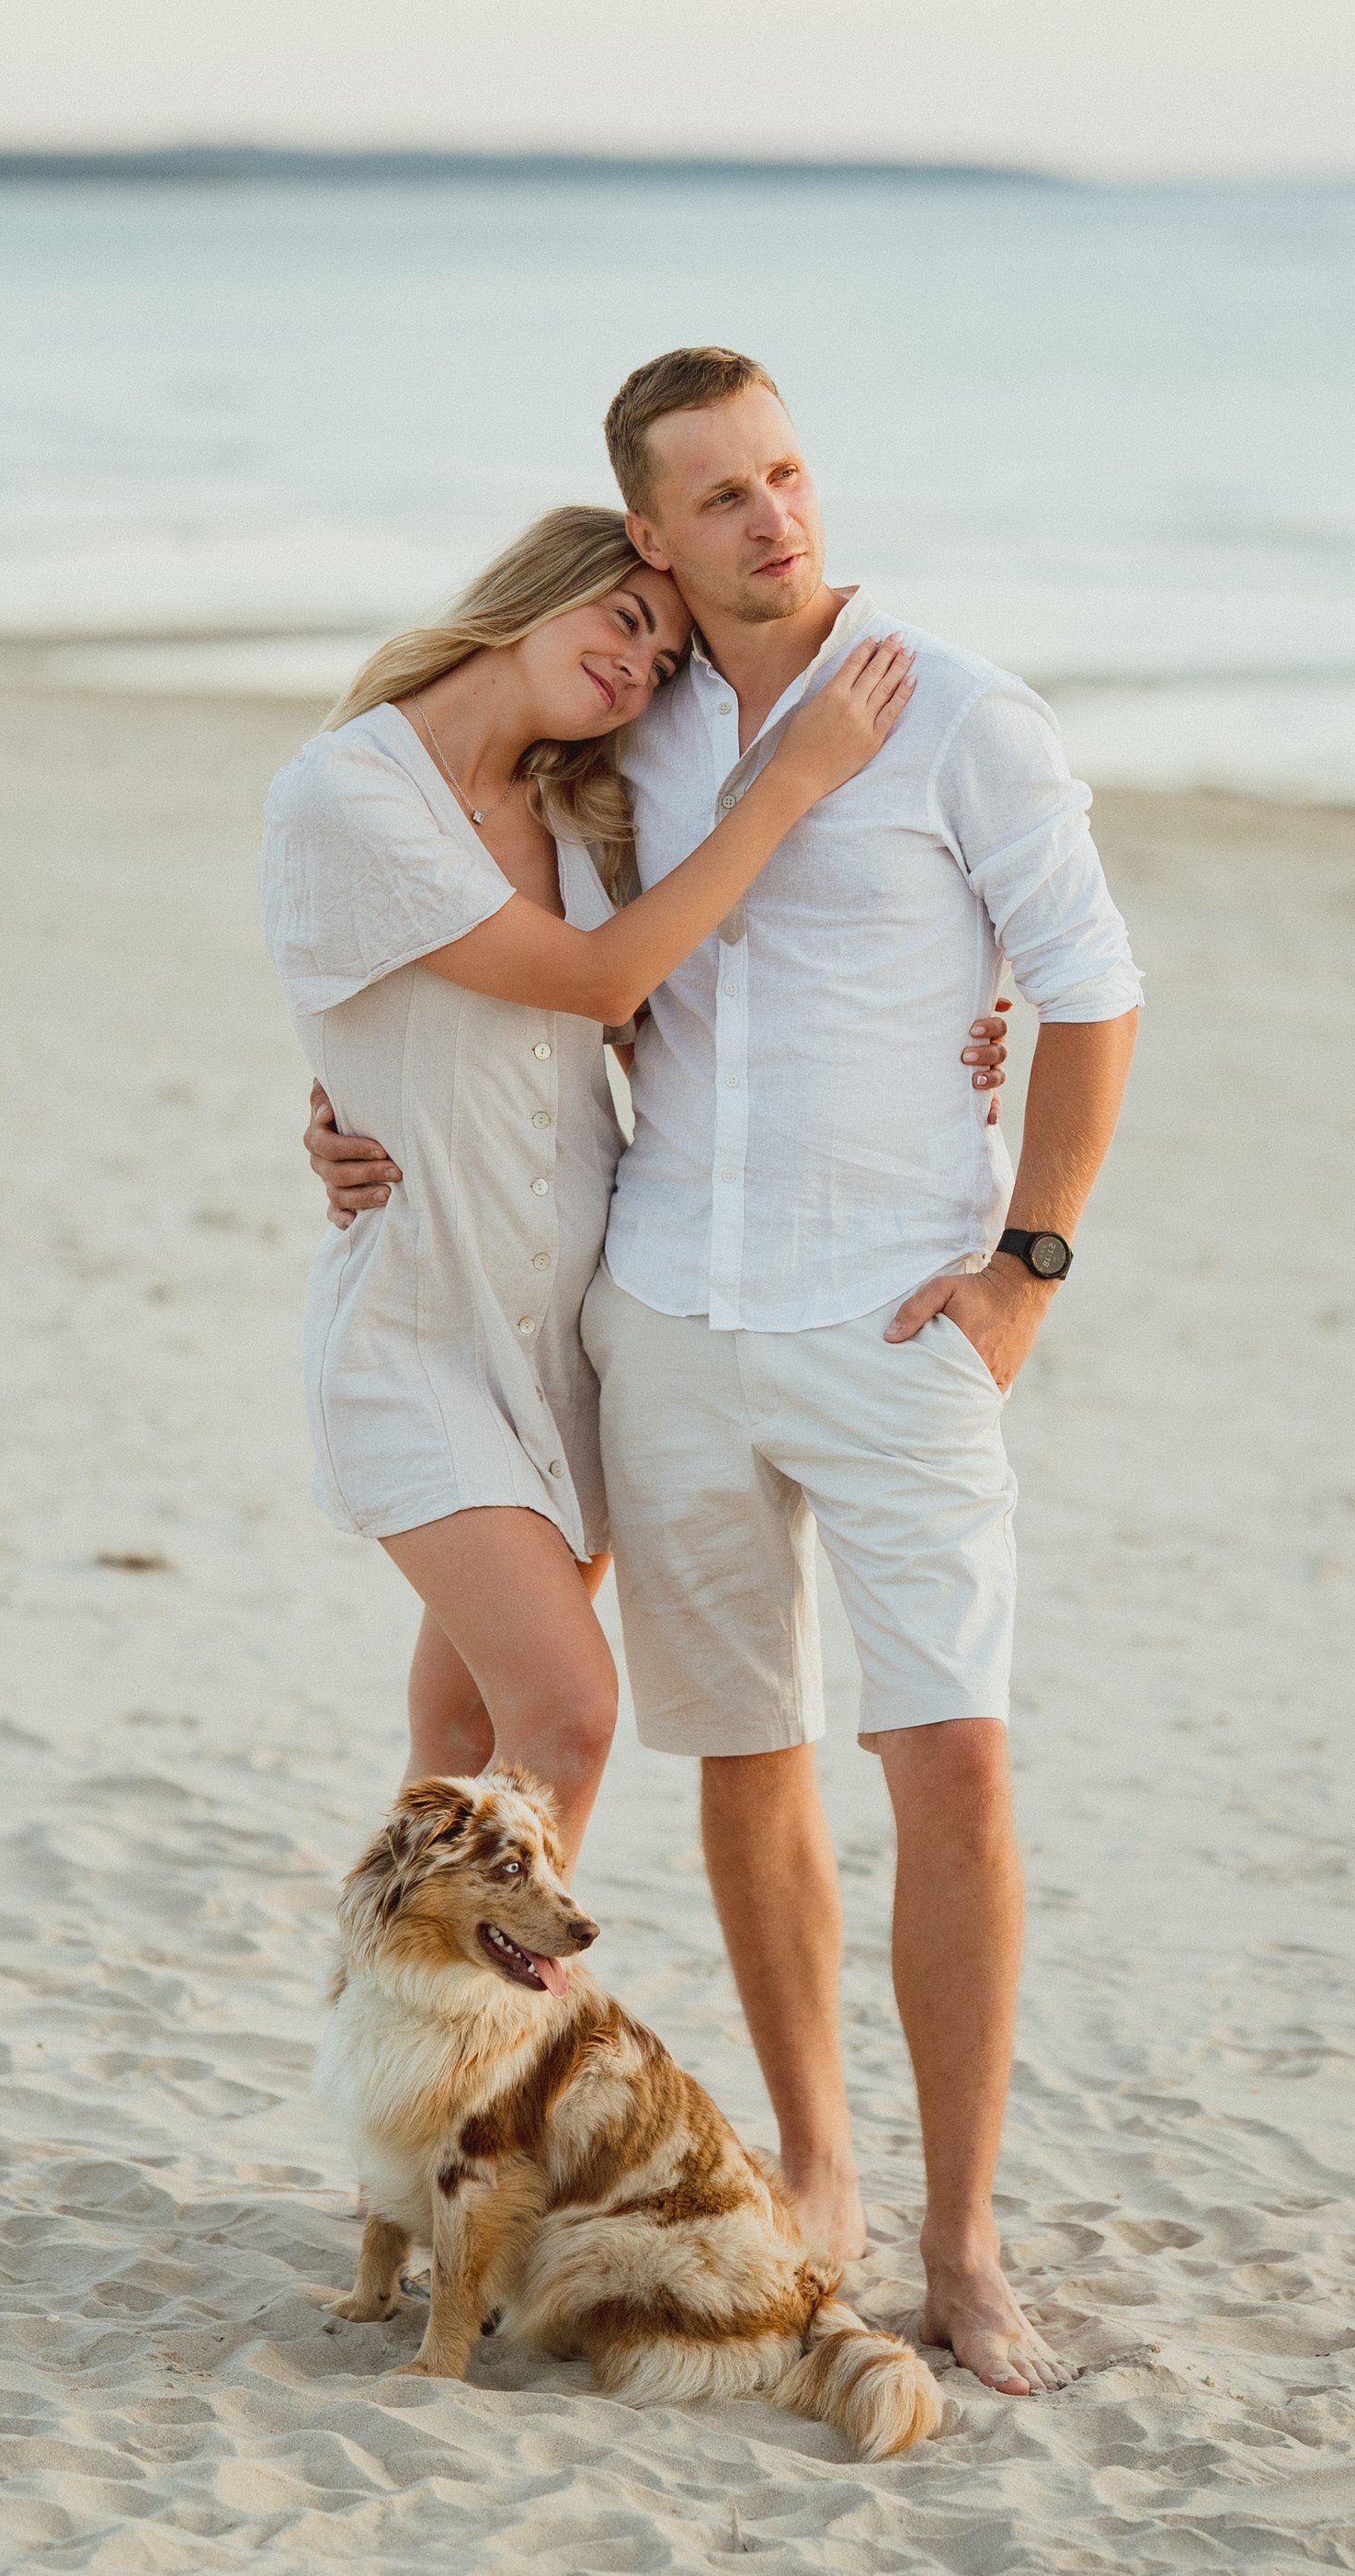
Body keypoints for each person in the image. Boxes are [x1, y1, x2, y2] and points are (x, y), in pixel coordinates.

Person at [310, 354, 1140, 2400]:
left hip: (895, 1330)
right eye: (721, 498)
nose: (773, 518)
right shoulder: (632, 730)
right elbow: (483, 968)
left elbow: (1095, 995)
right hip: (659, 1317)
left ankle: (960, 2235)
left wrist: (1023, 1270)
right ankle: (822, 2171)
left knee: (948, 1757)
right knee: (743, 1758)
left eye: (787, 475)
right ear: (647, 542)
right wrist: (332, 1119)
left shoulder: (955, 715)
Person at [261, 502, 922, 1866]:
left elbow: (710, 1005)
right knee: (569, 1717)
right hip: (419, 1339)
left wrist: (974, 1023)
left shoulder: (578, 807)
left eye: (668, 658)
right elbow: (601, 975)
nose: (638, 667)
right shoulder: (352, 790)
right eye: (625, 618)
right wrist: (790, 778)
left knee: (457, 1746)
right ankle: (503, 2042)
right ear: (533, 592)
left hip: (576, 1349)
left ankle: (408, 2055)